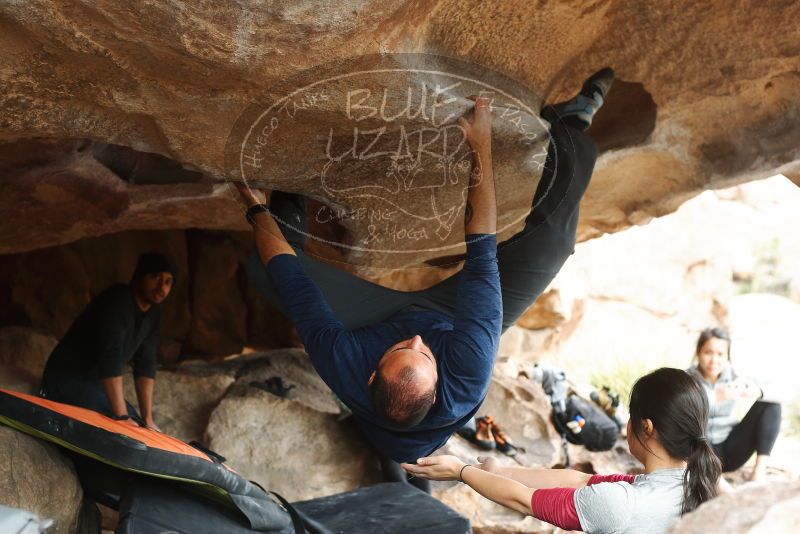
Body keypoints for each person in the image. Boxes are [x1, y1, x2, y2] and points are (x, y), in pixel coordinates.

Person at [239, 69, 614, 491]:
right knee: (551, 248)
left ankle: (290, 200)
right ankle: (573, 125)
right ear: (439, 385)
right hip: (451, 323)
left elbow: (296, 285)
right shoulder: (468, 368)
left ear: (371, 375)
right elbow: (481, 249)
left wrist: (256, 211)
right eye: (424, 356)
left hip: (375, 326)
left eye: (404, 351)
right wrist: (480, 145)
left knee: (266, 267)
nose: (417, 342)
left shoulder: (343, 362)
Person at [402, 367, 722, 533]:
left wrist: (461, 471)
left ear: (647, 427)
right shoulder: (693, 483)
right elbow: (579, 481)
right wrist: (501, 471)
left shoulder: (624, 504)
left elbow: (524, 501)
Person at [39, 253, 174, 431]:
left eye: (167, 282)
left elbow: (146, 364)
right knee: (119, 427)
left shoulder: (153, 314)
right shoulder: (118, 300)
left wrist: (147, 419)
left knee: (140, 427)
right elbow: (109, 356)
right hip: (65, 381)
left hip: (95, 387)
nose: (161, 288)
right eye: (155, 277)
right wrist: (120, 416)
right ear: (141, 276)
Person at [687, 326, 782, 481]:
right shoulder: (686, 379)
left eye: (720, 354)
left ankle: (759, 472)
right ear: (698, 352)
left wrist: (758, 391)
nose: (714, 360)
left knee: (770, 404)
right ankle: (712, 478)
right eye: (708, 352)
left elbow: (781, 392)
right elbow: (678, 410)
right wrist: (714, 396)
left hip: (731, 449)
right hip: (699, 450)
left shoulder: (736, 375)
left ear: (727, 356)